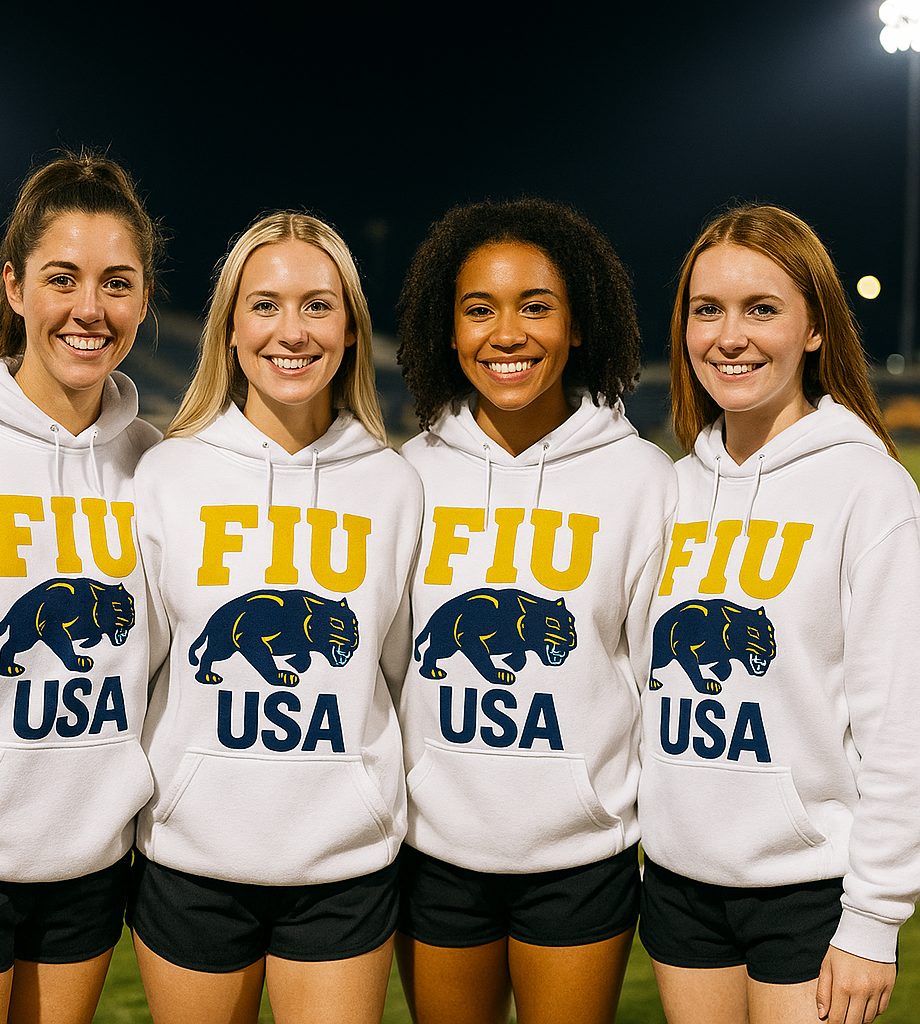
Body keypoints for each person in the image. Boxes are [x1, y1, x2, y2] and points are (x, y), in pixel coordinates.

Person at [129, 212, 423, 1024]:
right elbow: (139, 668)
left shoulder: (394, 486)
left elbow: (398, 675)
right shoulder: (166, 474)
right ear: (229, 328)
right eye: (264, 305)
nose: (290, 331)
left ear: (353, 329)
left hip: (343, 866)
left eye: (317, 305)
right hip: (190, 861)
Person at [0, 151, 165, 1023]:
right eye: (63, 278)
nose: (91, 310)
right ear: (14, 286)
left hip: (90, 874)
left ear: (143, 298)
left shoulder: (155, 466)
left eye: (116, 283)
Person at [394, 197, 677, 1024]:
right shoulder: (406, 475)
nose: (506, 333)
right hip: (434, 851)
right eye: (479, 309)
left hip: (582, 853)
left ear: (579, 324)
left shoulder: (643, 479)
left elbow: (656, 676)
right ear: (448, 331)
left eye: (536, 307)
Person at [638, 204, 920, 1024]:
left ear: (815, 330)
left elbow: (899, 726)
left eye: (762, 309)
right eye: (707, 310)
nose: (730, 336)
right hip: (681, 884)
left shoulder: (869, 491)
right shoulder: (675, 488)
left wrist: (873, 919)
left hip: (809, 890)